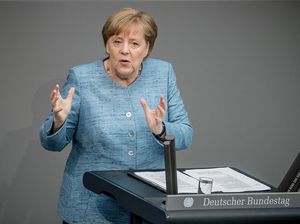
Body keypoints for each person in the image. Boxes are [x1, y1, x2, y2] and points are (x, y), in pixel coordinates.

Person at [40, 7, 193, 224]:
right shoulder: (81, 78)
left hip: (148, 207)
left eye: (134, 43)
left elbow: (186, 134)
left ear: (147, 48)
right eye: (117, 41)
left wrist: (160, 129)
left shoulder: (163, 73)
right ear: (107, 45)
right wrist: (59, 121)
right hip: (90, 207)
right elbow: (52, 144)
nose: (125, 50)